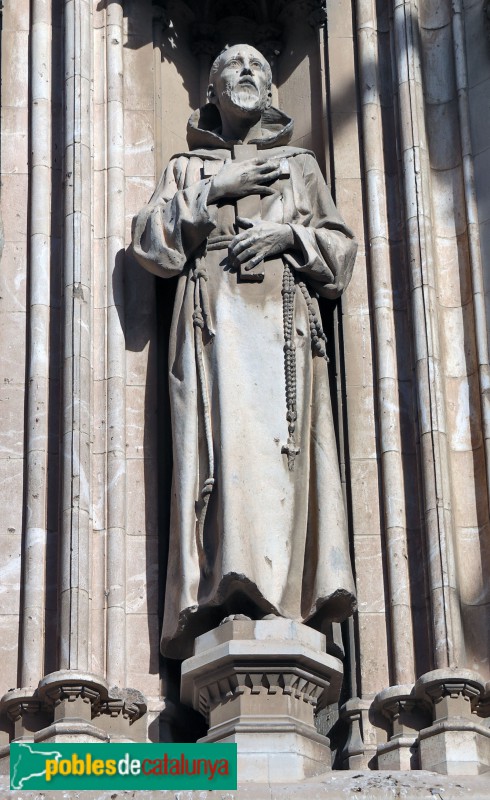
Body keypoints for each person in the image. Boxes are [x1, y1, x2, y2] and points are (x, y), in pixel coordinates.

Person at [132, 44, 357, 659]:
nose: (248, 73)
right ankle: (223, 596)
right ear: (211, 91)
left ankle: (286, 598)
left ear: (275, 91)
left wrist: (289, 234)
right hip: (211, 337)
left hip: (284, 339)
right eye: (232, 66)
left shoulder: (300, 166)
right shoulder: (187, 168)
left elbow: (341, 255)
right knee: (219, 459)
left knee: (281, 460)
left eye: (258, 65)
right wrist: (213, 192)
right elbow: (149, 245)